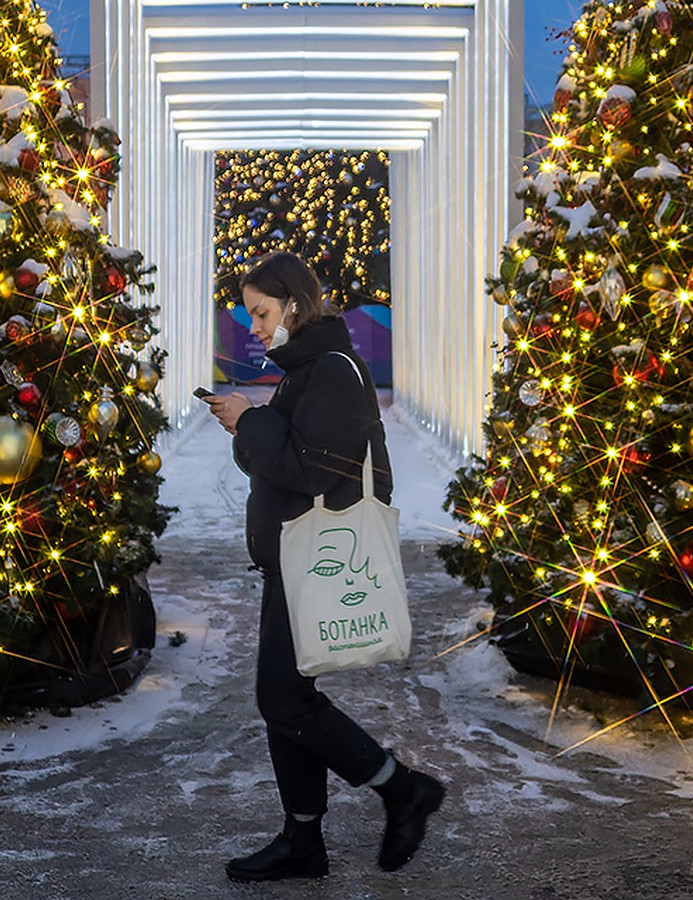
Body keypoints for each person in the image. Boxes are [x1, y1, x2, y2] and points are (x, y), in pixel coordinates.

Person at [204, 251, 445, 882]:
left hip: (318, 557)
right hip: (295, 555)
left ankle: (401, 789)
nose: (253, 326)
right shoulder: (304, 368)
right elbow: (284, 461)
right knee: (288, 697)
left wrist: (253, 422)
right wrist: (247, 426)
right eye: (248, 314)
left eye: (260, 312)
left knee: (283, 698)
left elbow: (315, 470)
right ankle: (302, 840)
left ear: (294, 304)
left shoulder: (333, 370)